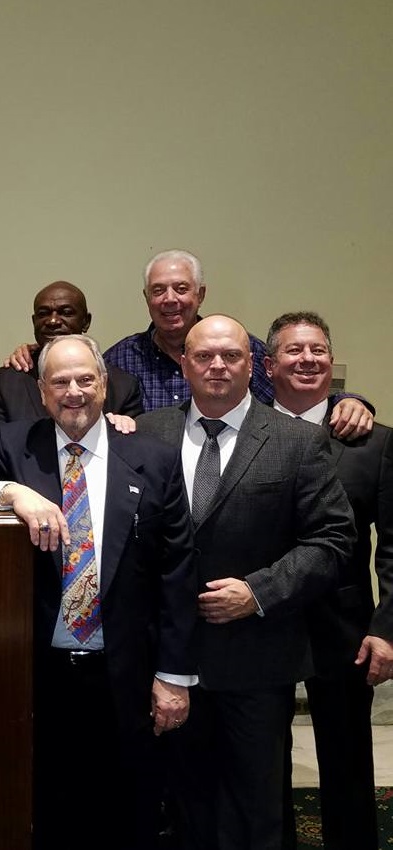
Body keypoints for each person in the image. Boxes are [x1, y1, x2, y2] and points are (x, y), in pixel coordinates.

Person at [0, 334, 196, 850]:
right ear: (42, 391)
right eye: (60, 382)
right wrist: (13, 492)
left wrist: (174, 676)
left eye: (85, 380)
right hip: (39, 676)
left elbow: (177, 572)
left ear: (105, 385)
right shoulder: (15, 445)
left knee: (127, 813)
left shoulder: (153, 457)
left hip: (126, 674)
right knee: (47, 810)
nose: (74, 392)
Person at [138, 314, 355, 850]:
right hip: (168, 660)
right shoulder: (145, 433)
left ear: (253, 365)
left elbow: (332, 540)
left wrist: (259, 591)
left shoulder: (298, 441)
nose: (217, 366)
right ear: (183, 364)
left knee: (255, 814)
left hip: (258, 660)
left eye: (231, 356)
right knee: (182, 809)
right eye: (204, 356)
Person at [5, 249, 372, 438]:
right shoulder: (120, 359)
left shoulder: (243, 349)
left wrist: (348, 400)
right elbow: (77, 388)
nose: (170, 300)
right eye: (158, 290)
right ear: (146, 298)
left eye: (181, 288)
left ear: (201, 294)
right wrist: (39, 354)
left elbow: (293, 389)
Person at [264, 311, 393, 850]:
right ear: (268, 366)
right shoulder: (244, 435)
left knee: (347, 760)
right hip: (261, 622)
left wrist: (386, 628)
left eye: (317, 349)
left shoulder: (375, 444)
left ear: (331, 361)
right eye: (293, 350)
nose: (307, 359)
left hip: (344, 628)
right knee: (263, 762)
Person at [0, 280, 143, 457]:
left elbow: (134, 454)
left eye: (66, 313)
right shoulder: (6, 383)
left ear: (86, 321)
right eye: (43, 314)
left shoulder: (123, 386)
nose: (53, 321)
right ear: (34, 321)